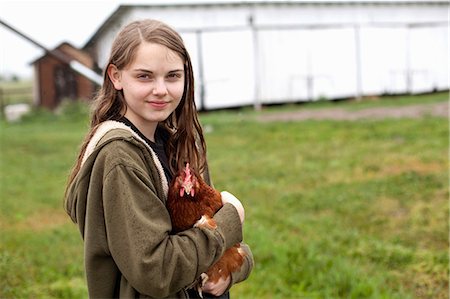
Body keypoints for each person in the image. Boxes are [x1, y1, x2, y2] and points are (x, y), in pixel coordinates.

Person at [64, 19, 253, 298]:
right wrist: (231, 219)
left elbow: (215, 241)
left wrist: (233, 269)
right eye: (145, 76)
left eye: (173, 76)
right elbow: (157, 271)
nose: (161, 89)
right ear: (116, 77)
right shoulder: (121, 158)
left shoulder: (174, 142)